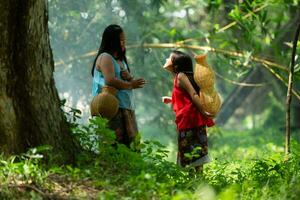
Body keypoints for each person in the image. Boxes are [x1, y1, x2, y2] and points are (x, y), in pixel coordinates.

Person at [91, 24, 145, 148]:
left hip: (125, 106)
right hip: (111, 107)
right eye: (120, 40)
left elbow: (121, 79)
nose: (122, 43)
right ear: (111, 41)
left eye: (124, 40)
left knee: (130, 145)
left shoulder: (120, 60)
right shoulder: (105, 57)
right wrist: (131, 84)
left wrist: (130, 78)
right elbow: (110, 80)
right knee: (114, 144)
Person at [162, 50, 214, 172]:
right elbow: (185, 98)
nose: (166, 60)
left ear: (175, 65)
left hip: (189, 120)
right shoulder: (179, 76)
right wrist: (171, 100)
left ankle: (194, 181)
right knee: (197, 148)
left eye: (169, 58)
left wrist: (203, 111)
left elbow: (193, 95)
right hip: (193, 120)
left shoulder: (180, 76)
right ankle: (198, 179)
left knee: (188, 149)